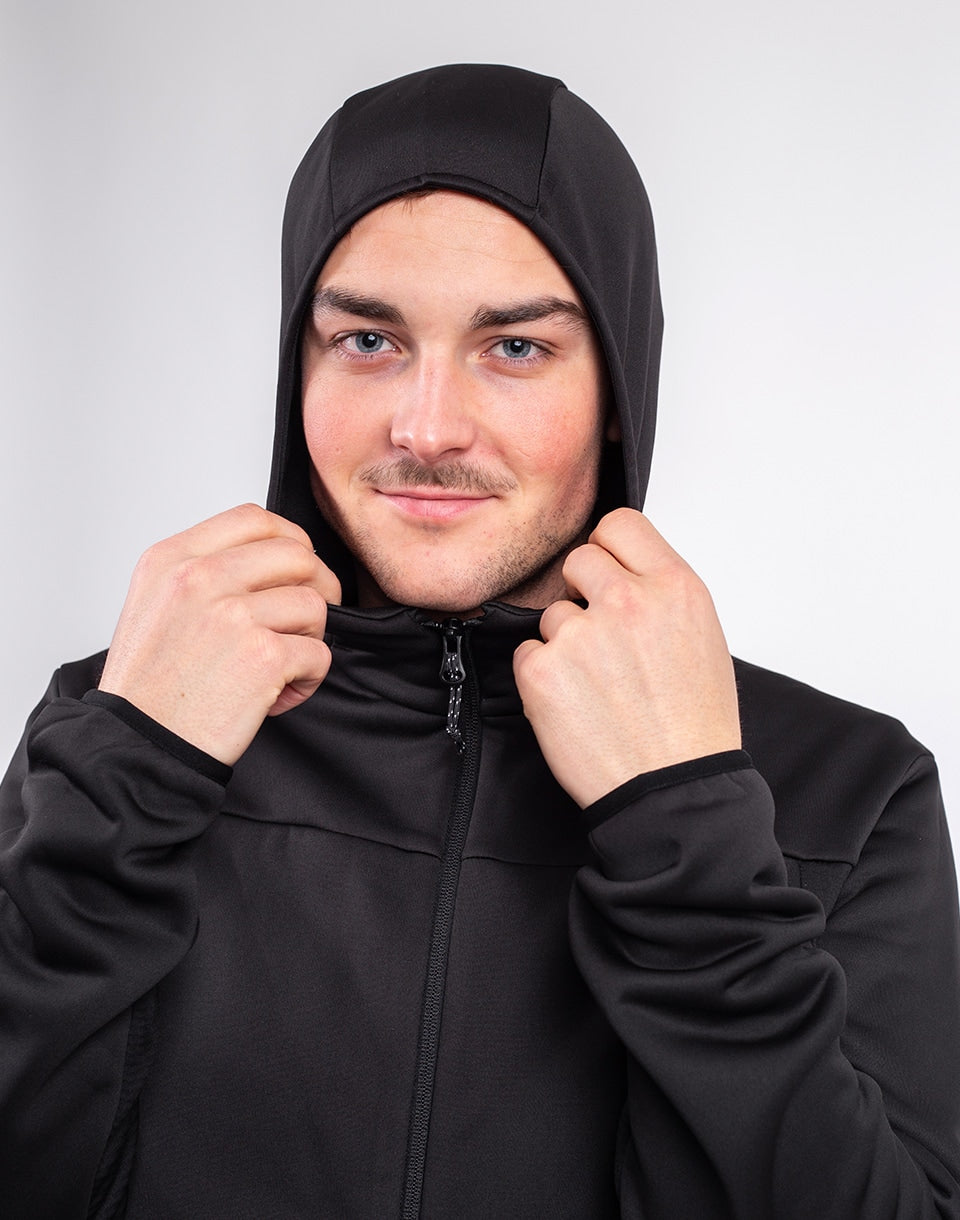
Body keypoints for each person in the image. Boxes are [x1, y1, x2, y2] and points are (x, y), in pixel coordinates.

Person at [1, 62, 958, 1220]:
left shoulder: (849, 789)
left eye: (515, 348)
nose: (427, 427)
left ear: (619, 390)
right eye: (367, 338)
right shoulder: (133, 716)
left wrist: (687, 825)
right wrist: (127, 769)